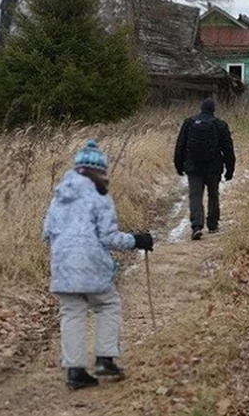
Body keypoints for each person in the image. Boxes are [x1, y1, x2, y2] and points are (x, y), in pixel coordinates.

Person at [42, 140, 154, 390]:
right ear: (98, 171)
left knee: (71, 313)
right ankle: (105, 358)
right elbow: (108, 238)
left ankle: (75, 372)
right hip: (91, 264)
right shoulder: (100, 197)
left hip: (62, 266)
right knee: (108, 304)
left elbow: (47, 233)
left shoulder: (58, 197)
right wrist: (138, 240)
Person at [174, 97, 236, 241]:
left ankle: (197, 226)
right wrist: (230, 169)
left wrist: (178, 164)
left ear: (201, 108)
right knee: (213, 194)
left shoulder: (189, 123)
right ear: (213, 110)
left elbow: (180, 145)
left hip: (193, 166)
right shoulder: (220, 125)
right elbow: (228, 148)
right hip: (213, 167)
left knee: (195, 196)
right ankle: (213, 224)